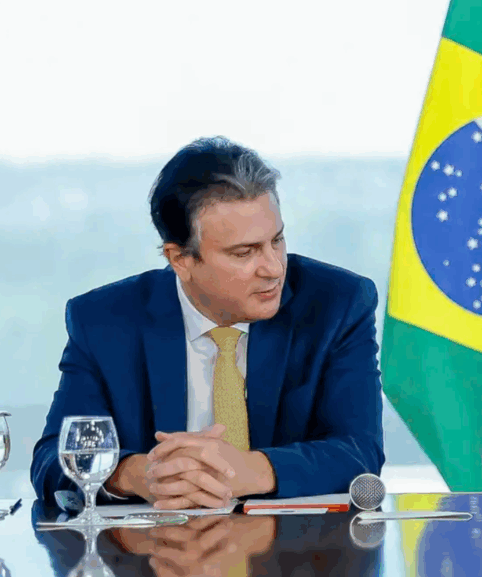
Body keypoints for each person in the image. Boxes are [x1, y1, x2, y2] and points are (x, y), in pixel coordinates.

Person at [31, 136, 384, 508]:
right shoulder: (104, 322)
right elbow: (52, 460)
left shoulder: (337, 304)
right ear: (180, 260)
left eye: (277, 241)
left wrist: (248, 470)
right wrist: (138, 475)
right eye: (244, 252)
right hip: (155, 542)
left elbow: (360, 451)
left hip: (295, 544)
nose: (273, 268)